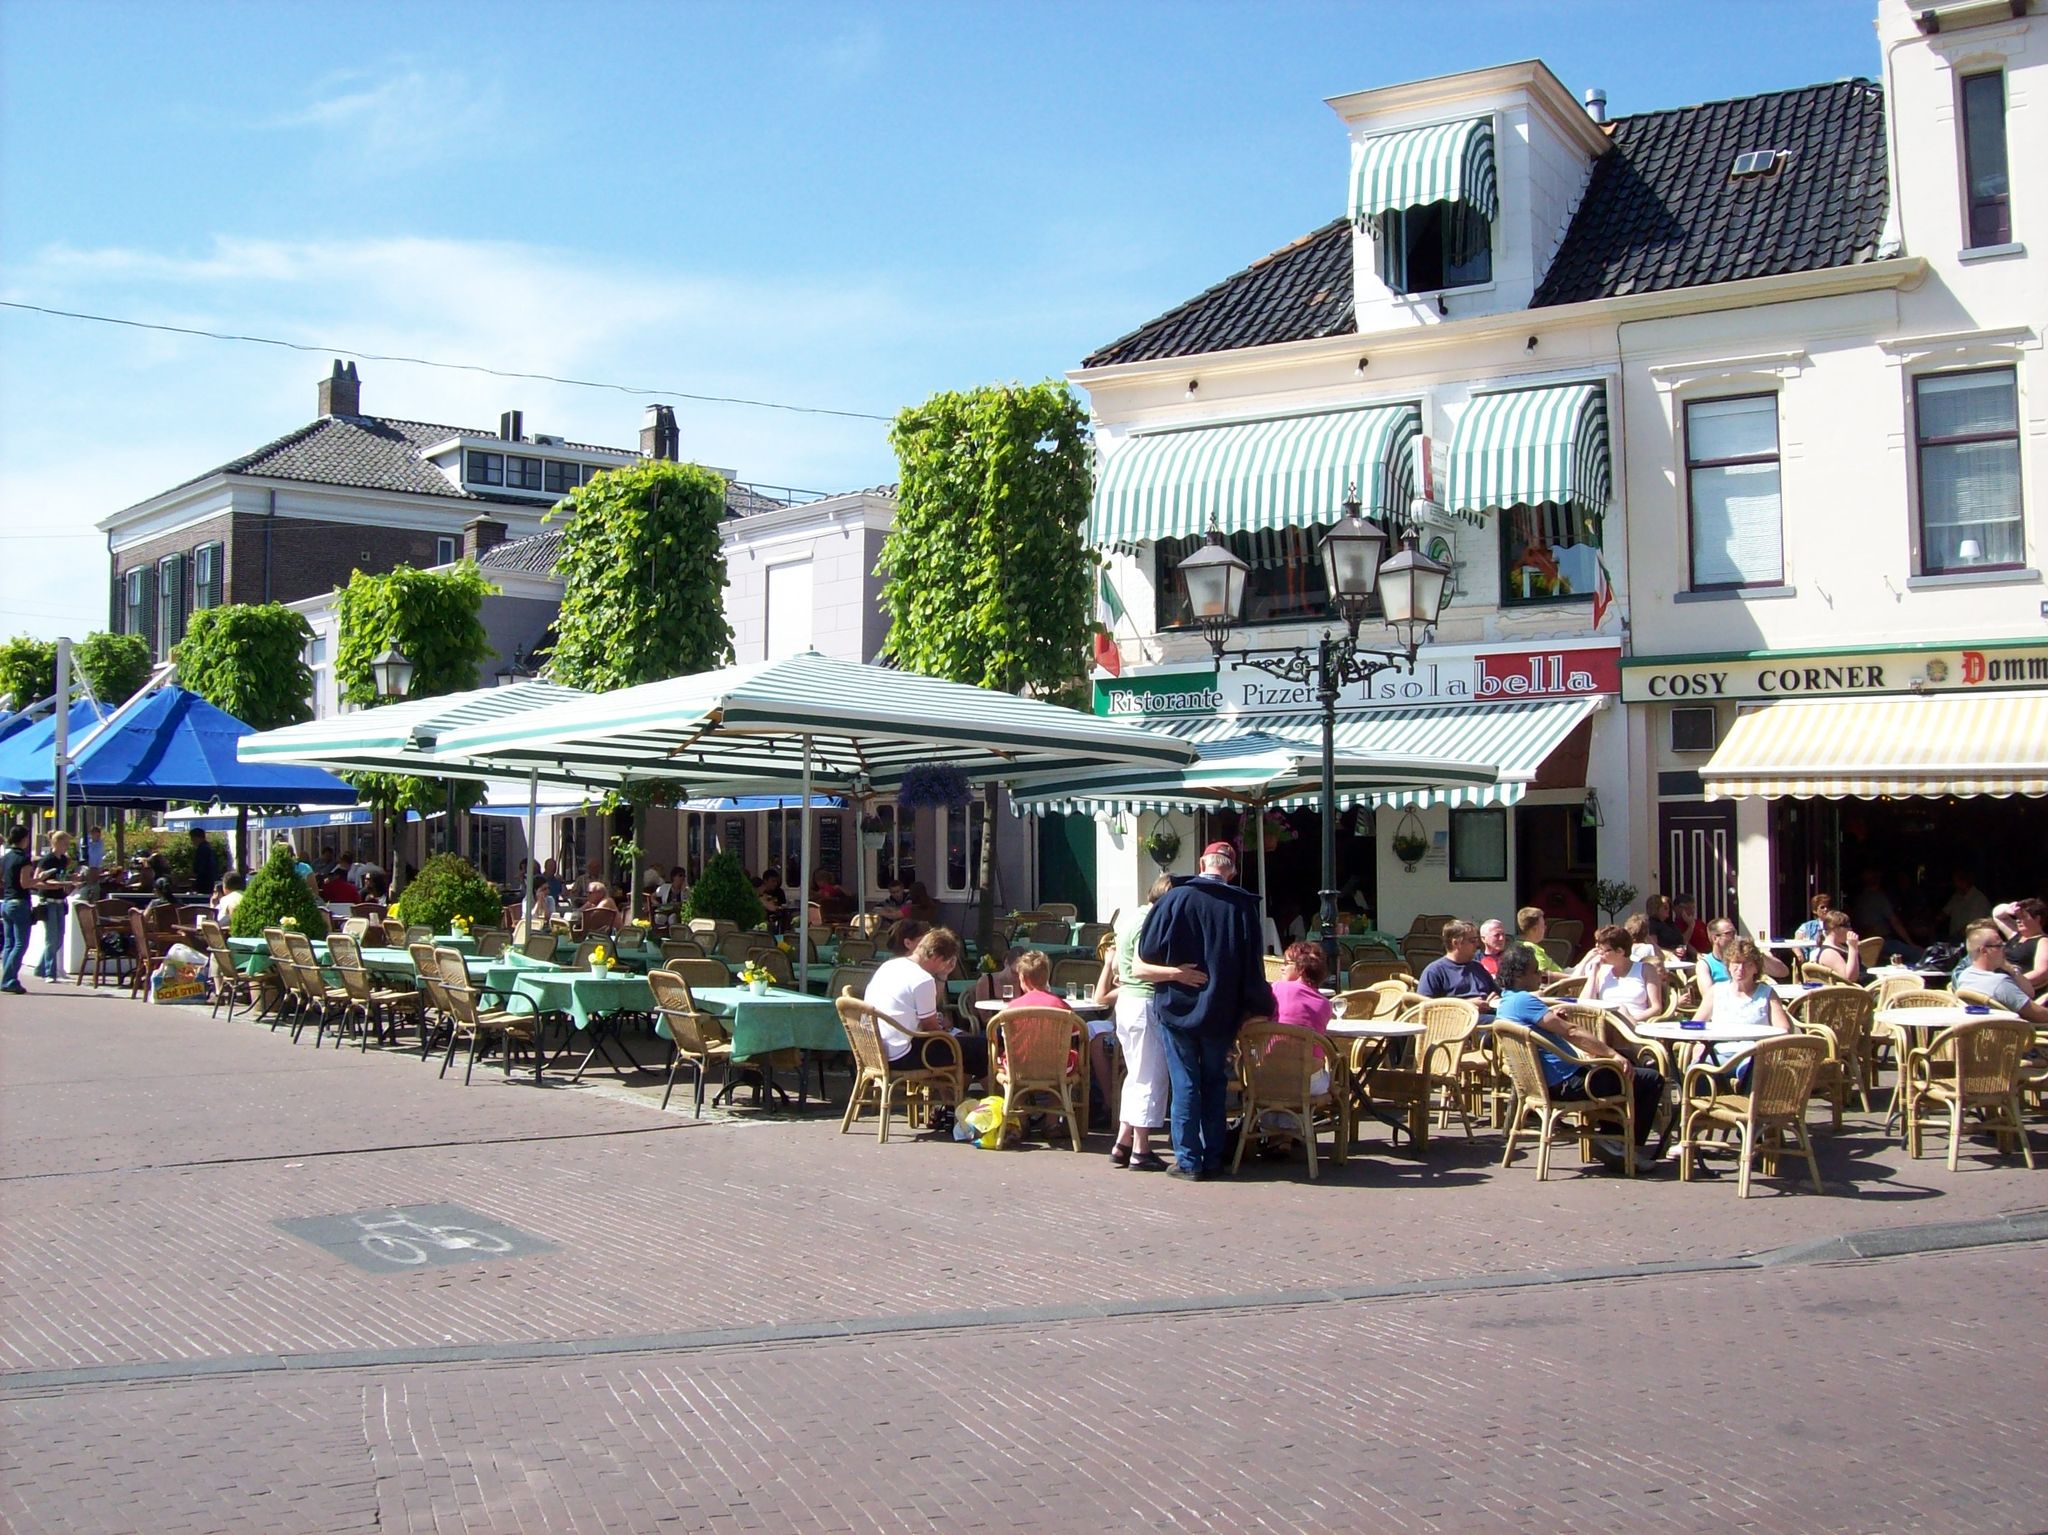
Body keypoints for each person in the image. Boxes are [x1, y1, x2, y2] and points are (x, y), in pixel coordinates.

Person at [1134, 841, 1273, 1181]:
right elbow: (1252, 968)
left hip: (1176, 1005)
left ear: (1201, 863)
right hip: (1221, 1010)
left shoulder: (1174, 899)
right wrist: (1258, 1007)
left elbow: (1148, 949)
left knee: (1184, 1083)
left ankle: (1187, 1160)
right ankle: (1212, 1157)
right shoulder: (1241, 907)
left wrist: (1176, 971)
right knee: (1214, 1083)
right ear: (1232, 870)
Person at [1494, 943, 1665, 1165]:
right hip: (1568, 1084)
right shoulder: (1525, 1000)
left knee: (1627, 1070)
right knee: (1650, 1079)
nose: (1541, 975)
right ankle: (1625, 1147)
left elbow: (1548, 1025)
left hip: (1542, 1083)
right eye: (1535, 971)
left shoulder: (1507, 1002)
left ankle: (1611, 1139)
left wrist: (1552, 1016)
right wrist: (1612, 1054)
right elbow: (1572, 1032)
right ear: (1518, 975)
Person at [1098, 874, 1171, 1171]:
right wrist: (1178, 972)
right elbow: (1143, 968)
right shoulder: (1151, 922)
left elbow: (1117, 964)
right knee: (1150, 1076)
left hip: (1127, 1002)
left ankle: (1122, 1141)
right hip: (1144, 1002)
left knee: (1135, 1074)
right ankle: (1141, 1148)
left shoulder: (1131, 918)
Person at [862, 926, 988, 1082]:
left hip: (876, 1050)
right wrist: (947, 1032)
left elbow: (924, 1013)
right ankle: (980, 1100)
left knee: (967, 1048)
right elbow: (930, 1026)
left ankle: (954, 1100)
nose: (945, 966)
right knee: (981, 1049)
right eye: (946, 962)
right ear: (936, 957)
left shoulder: (889, 966)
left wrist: (942, 976)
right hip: (903, 1055)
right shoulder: (923, 979)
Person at [1953, 922, 2048, 1026]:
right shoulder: (2000, 983)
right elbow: (2039, 1016)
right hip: (2019, 1035)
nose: (2005, 949)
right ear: (1984, 950)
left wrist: (2011, 969)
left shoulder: (1965, 976)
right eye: (1999, 946)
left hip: (1986, 1032)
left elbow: (2029, 994)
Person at [1579, 923, 1666, 1024]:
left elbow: (1656, 1008)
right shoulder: (1602, 971)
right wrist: (1594, 971)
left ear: (1620, 951)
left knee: (1621, 1009)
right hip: (1606, 1024)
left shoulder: (1646, 970)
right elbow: (1584, 1004)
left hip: (1636, 1024)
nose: (1599, 954)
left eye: (1603, 951)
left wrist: (1629, 1020)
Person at [1417, 920, 1498, 1006]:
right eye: (1472, 941)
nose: (1477, 944)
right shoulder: (1434, 971)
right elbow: (1423, 1006)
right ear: (1456, 943)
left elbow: (1497, 992)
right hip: (1459, 1017)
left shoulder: (1478, 967)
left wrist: (1495, 998)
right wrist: (1466, 1005)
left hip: (1490, 1013)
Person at [1696, 916, 1787, 992]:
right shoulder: (1705, 964)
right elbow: (1708, 995)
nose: (1734, 937)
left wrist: (1757, 954)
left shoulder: (1746, 959)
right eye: (1728, 934)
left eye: (1734, 933)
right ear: (1715, 938)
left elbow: (1783, 972)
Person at [32, 830, 75, 982]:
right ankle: (50, 972)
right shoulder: (47, 860)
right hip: (48, 901)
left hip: (59, 901)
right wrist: (58, 883)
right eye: (65, 844)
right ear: (56, 843)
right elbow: (38, 879)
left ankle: (40, 967)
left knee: (59, 938)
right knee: (51, 937)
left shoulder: (63, 860)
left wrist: (71, 881)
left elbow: (64, 875)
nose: (67, 847)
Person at [1990, 898, 2048, 995]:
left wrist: (2010, 982)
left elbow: (2042, 973)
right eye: (2017, 917)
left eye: (2023, 917)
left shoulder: (2043, 941)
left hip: (2015, 990)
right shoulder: (2014, 934)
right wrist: (2009, 908)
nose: (2018, 921)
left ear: (2037, 919)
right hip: (1996, 981)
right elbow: (1997, 914)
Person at [1, 824, 34, 994]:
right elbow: (25, 883)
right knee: (21, 943)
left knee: (9, 943)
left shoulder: (5, 858)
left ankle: (6, 977)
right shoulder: (23, 859)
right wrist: (39, 880)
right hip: (20, 902)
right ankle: (9, 979)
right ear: (24, 839)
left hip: (6, 902)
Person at [1810, 909, 1864, 984]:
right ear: (1835, 928)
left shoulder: (1840, 946)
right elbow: (1850, 978)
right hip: (1856, 993)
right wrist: (1853, 948)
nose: (1850, 929)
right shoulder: (1829, 953)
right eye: (1847, 926)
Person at [1940, 869, 1992, 939]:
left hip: (1972, 940)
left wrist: (1958, 935)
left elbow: (1975, 924)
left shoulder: (1979, 899)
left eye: (1956, 881)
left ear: (1964, 881)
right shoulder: (1956, 897)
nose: (1954, 884)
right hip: (1954, 940)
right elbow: (1945, 913)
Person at [187, 828, 220, 901]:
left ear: (196, 838)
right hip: (211, 881)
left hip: (204, 882)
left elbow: (201, 867)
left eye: (192, 838)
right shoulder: (210, 848)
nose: (192, 841)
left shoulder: (202, 849)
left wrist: (196, 877)